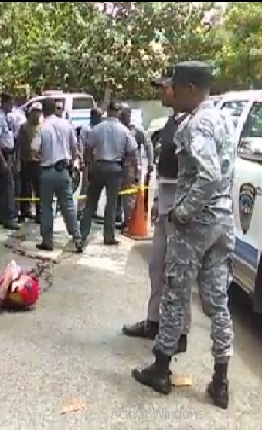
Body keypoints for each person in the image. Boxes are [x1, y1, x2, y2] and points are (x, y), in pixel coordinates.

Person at [132, 61, 236, 410]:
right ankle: (220, 380)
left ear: (191, 88)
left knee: (175, 293)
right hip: (221, 221)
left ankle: (161, 369)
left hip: (196, 223)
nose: (171, 92)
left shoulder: (198, 124)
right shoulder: (222, 118)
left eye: (175, 86)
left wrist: (183, 211)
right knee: (217, 301)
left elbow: (208, 175)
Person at [122, 69, 191, 347]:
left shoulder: (193, 123)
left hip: (182, 203)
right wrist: (157, 201)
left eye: (164, 87)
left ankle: (178, 332)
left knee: (177, 273)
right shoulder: (171, 122)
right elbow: (166, 169)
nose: (160, 92)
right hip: (166, 199)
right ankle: (154, 321)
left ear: (180, 89)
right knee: (157, 268)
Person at [79, 101, 137, 245]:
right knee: (111, 204)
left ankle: (82, 234)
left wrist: (88, 165)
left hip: (98, 167)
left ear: (108, 111)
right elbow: (132, 151)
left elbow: (88, 148)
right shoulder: (124, 130)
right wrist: (130, 170)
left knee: (90, 203)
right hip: (115, 169)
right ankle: (109, 236)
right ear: (118, 112)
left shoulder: (97, 128)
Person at [32, 99, 83, 252]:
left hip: (47, 171)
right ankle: (77, 238)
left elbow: (34, 150)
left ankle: (47, 241)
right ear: (55, 109)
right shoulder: (66, 125)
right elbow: (75, 149)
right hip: (63, 170)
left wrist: (42, 156)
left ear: (43, 111)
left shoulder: (42, 128)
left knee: (46, 207)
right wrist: (72, 162)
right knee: (68, 206)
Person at [117, 106, 154, 229]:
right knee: (119, 194)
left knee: (130, 195)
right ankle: (121, 217)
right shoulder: (118, 128)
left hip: (132, 166)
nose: (123, 118)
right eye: (121, 116)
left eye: (125, 116)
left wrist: (150, 163)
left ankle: (130, 221)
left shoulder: (136, 130)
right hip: (118, 165)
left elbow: (148, 145)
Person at [0, 93, 19, 230]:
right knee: (9, 186)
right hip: (3, 154)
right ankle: (9, 217)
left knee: (4, 186)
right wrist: (1, 158)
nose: (12, 106)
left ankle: (1, 215)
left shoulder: (6, 117)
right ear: (5, 103)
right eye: (10, 103)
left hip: (9, 153)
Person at [17, 102, 43, 223]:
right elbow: (20, 145)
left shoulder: (43, 127)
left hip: (38, 162)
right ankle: (24, 211)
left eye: (38, 112)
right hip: (26, 161)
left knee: (39, 189)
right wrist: (18, 161)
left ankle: (39, 213)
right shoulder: (24, 127)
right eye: (34, 112)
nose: (36, 114)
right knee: (25, 188)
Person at [77, 107, 104, 218]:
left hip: (98, 160)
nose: (100, 118)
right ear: (93, 117)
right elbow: (81, 145)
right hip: (88, 160)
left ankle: (93, 209)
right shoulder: (86, 128)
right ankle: (80, 209)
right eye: (98, 116)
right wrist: (82, 161)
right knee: (85, 186)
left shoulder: (101, 128)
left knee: (96, 186)